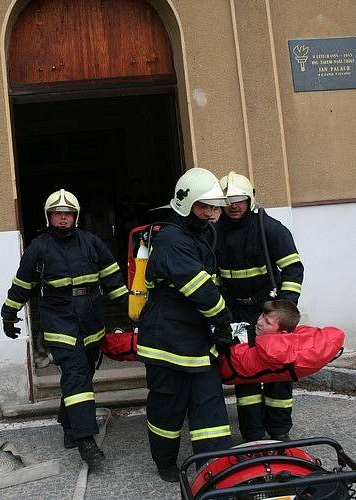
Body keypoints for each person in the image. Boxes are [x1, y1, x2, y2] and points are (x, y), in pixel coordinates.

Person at [1, 189, 128, 467]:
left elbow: (113, 278)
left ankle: (69, 426)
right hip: (58, 320)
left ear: (75, 216)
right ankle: (86, 441)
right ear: (49, 217)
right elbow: (23, 283)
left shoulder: (92, 242)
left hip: (91, 319)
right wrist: (9, 313)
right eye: (57, 214)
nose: (62, 218)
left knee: (83, 373)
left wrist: (134, 310)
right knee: (77, 374)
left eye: (67, 214)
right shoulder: (39, 247)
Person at [136, 168, 234, 483]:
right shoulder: (171, 239)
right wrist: (222, 320)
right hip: (167, 340)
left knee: (210, 408)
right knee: (167, 407)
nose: (211, 213)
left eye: (214, 207)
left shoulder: (201, 234)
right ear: (185, 203)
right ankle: (165, 462)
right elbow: (199, 288)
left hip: (196, 336)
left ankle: (214, 466)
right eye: (204, 206)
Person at [215, 171, 304, 442]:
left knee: (278, 371)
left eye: (240, 199)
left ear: (250, 198)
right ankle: (253, 434)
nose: (234, 205)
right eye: (229, 200)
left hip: (269, 314)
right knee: (246, 375)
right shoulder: (214, 232)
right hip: (235, 314)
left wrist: (282, 310)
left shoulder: (270, 229)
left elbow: (293, 268)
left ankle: (279, 431)